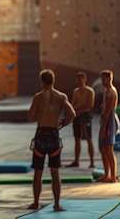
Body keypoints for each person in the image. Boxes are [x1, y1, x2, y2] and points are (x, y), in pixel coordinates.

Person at [27, 69, 76, 211]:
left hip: (41, 136)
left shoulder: (38, 97)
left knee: (38, 172)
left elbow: (30, 117)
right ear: (53, 81)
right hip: (54, 135)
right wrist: (62, 124)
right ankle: (56, 204)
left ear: (42, 82)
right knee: (55, 172)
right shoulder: (61, 97)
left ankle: (36, 203)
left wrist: (40, 117)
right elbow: (72, 114)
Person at [65, 72, 96, 168]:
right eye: (78, 79)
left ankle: (92, 161)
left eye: (81, 79)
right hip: (77, 115)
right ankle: (76, 160)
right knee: (77, 138)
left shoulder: (90, 91)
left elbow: (89, 105)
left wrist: (76, 108)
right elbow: (73, 103)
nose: (79, 81)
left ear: (85, 79)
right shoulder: (76, 91)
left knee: (88, 138)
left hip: (85, 115)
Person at [97, 69, 120, 183]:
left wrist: (102, 129)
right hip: (106, 120)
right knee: (102, 148)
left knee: (108, 149)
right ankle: (107, 174)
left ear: (109, 79)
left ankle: (112, 176)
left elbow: (108, 112)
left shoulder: (111, 92)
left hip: (109, 122)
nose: (102, 81)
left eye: (103, 79)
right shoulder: (107, 91)